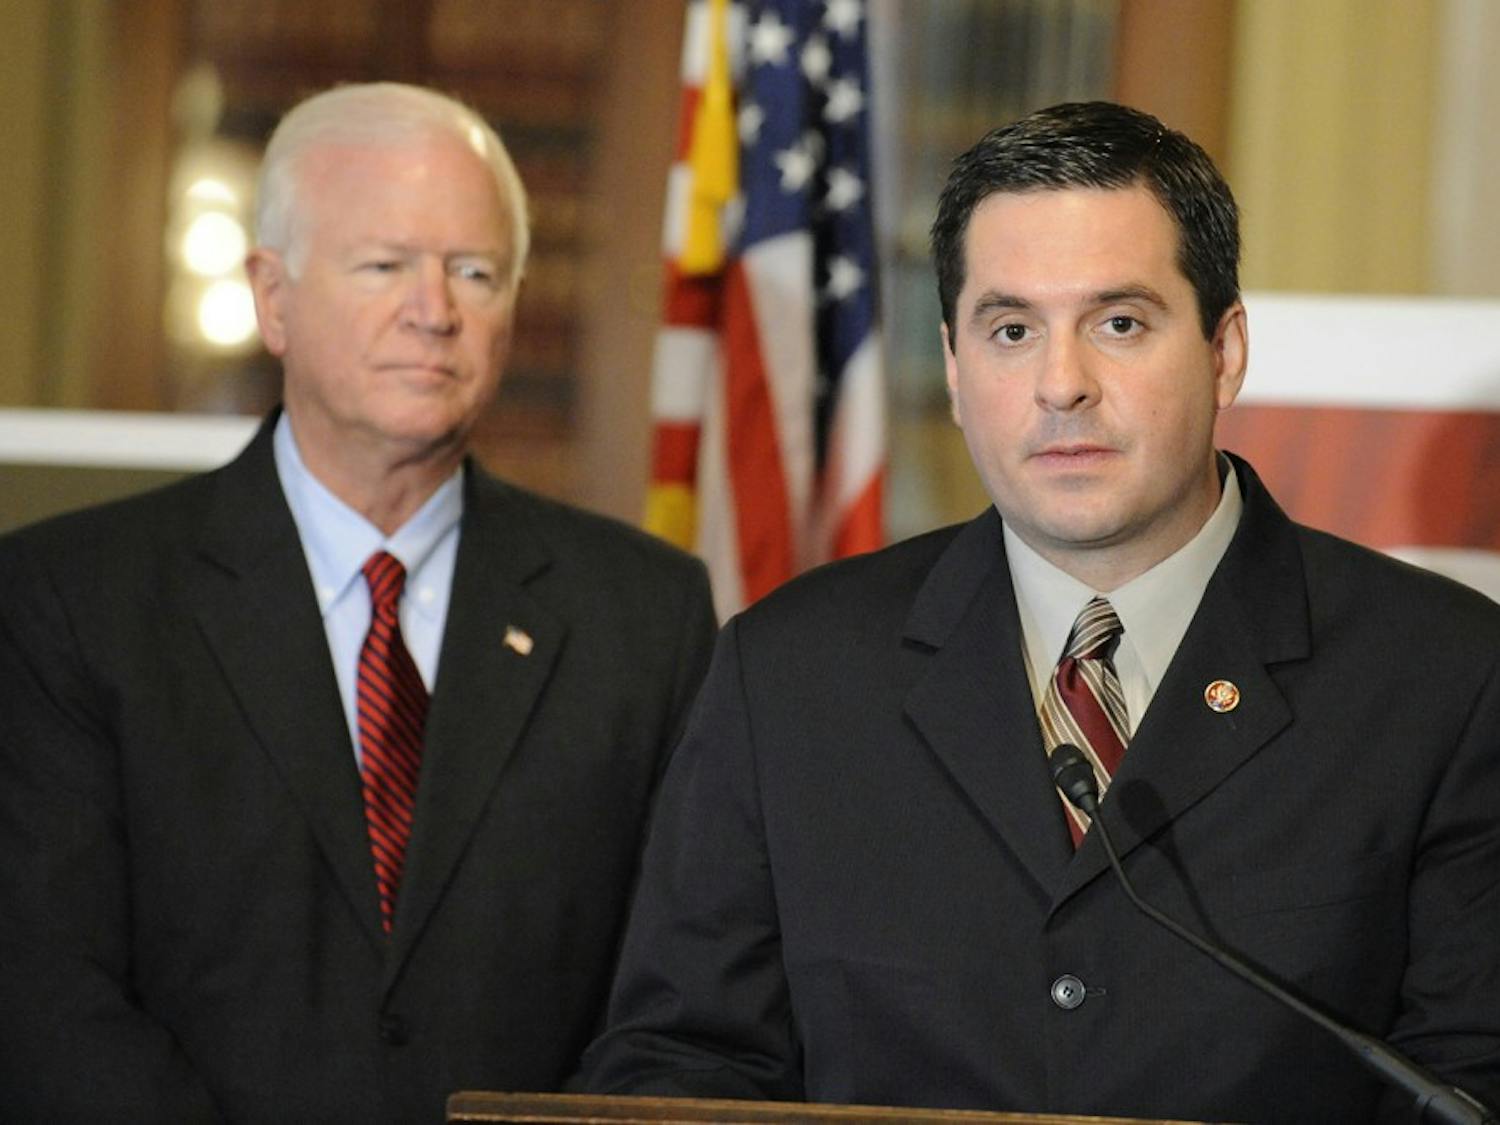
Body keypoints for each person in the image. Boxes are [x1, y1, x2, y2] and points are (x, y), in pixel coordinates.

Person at [579, 102, 1500, 1122]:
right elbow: (682, 1064)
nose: (1063, 385)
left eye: (1119, 324)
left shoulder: (1447, 679)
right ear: (959, 371)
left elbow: (1469, 1081)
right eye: (1012, 330)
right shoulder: (790, 672)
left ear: (1225, 350)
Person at [0, 82, 716, 1123]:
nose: (434, 310)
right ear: (273, 297)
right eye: (384, 265)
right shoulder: (69, 602)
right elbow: (41, 992)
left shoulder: (645, 614)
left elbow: (681, 996)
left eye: (474, 271)